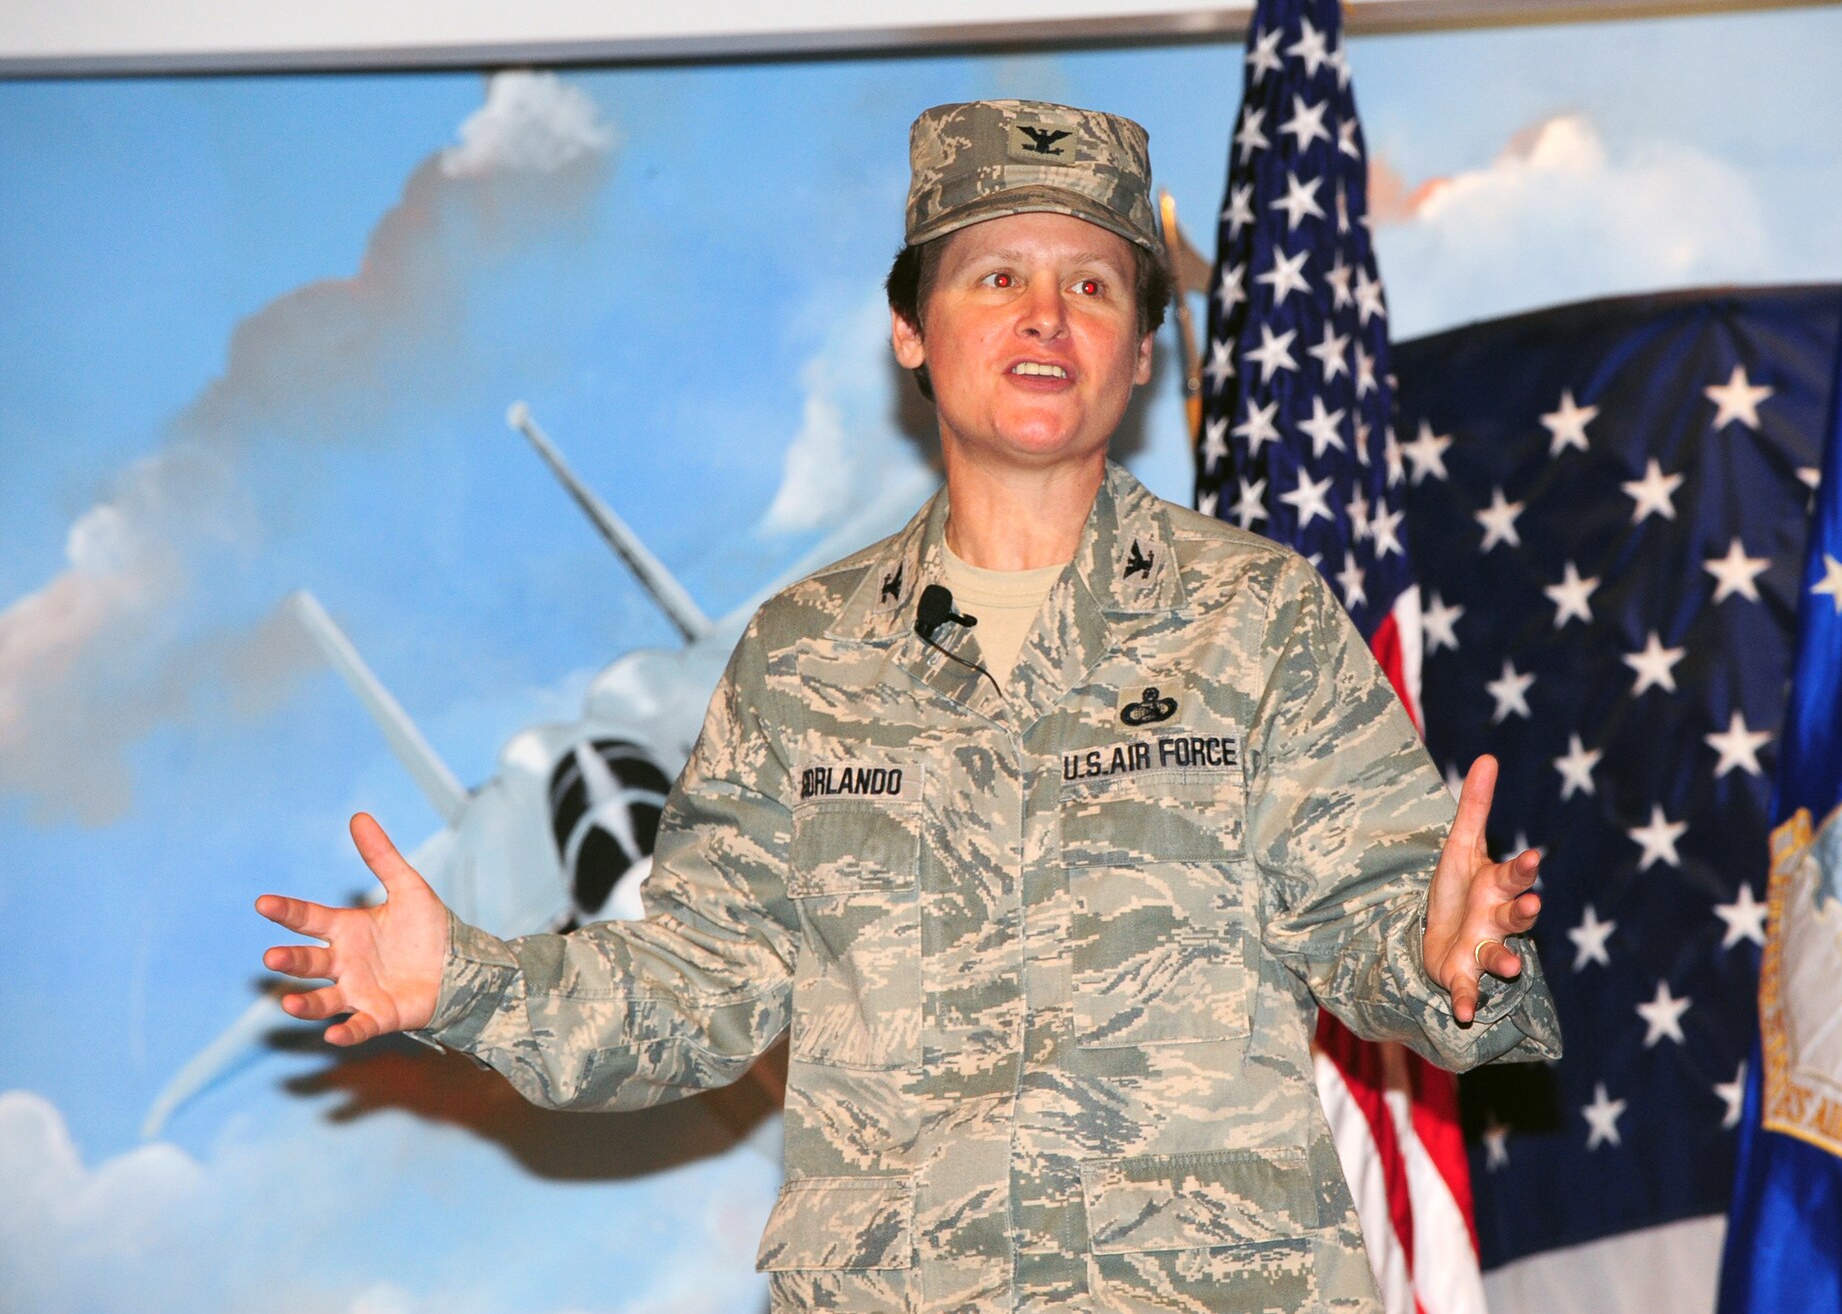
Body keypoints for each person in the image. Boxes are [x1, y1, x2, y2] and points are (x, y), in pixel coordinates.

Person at [258, 98, 1560, 1314]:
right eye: (997, 277)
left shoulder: (1264, 622)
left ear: (1145, 350)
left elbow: (1394, 938)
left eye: (1093, 285)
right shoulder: (798, 661)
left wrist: (1444, 953)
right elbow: (694, 990)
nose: (1047, 317)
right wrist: (467, 985)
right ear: (910, 330)